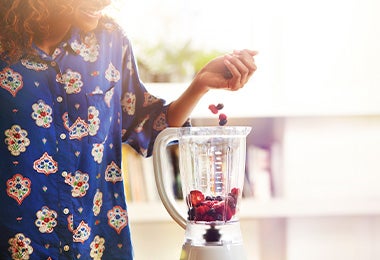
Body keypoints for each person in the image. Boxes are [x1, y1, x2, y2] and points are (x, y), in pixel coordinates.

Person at [0, 0, 257, 259]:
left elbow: (149, 127)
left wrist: (200, 84)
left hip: (96, 247)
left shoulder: (111, 42)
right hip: (17, 245)